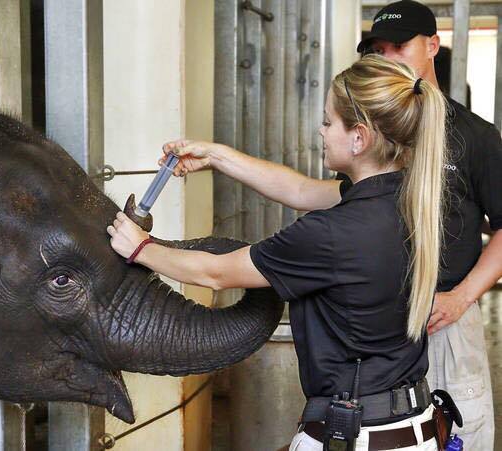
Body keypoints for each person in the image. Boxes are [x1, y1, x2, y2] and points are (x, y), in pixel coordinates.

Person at [109, 55, 447, 450]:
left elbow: (216, 273)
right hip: (413, 427)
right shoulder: (411, 199)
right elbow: (301, 191)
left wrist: (141, 248)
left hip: (358, 436)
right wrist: (215, 155)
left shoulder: (331, 235)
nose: (320, 132)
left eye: (327, 121)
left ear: (359, 137)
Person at [358, 2, 502, 449]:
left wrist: (461, 298)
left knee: (459, 435)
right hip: (377, 324)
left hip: (445, 323)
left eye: (399, 47)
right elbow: (322, 197)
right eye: (378, 51)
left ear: (432, 46)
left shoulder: (475, 136)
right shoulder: (370, 135)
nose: (389, 59)